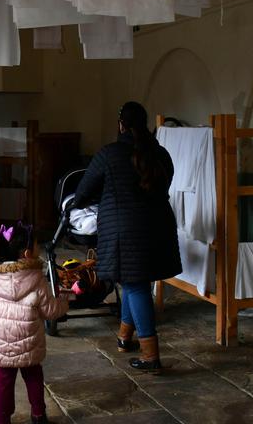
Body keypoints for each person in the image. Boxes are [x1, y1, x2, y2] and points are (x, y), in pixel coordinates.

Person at [72, 101, 181, 373]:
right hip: (158, 227)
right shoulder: (161, 154)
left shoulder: (109, 154)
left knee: (135, 286)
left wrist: (104, 196)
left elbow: (83, 193)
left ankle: (150, 356)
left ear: (121, 124)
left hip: (125, 230)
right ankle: (124, 337)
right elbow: (163, 185)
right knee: (136, 282)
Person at [0, 222, 70, 424]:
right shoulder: (37, 279)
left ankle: (3, 419)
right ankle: (38, 415)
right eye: (36, 245)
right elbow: (50, 311)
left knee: (3, 384)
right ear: (27, 253)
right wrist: (65, 302)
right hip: (29, 346)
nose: (39, 248)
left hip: (0, 347)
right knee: (34, 379)